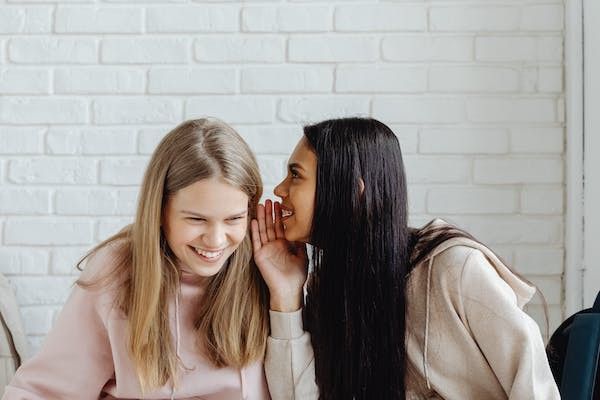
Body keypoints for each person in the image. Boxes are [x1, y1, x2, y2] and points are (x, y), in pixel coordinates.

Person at [252, 117, 560, 399]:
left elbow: (534, 386)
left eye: (296, 175)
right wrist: (285, 295)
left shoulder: (452, 269)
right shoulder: (329, 287)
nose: (280, 189)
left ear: (352, 191)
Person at [3, 118, 271, 400]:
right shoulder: (118, 269)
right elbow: (44, 390)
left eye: (234, 219)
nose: (216, 240)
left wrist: (286, 297)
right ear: (160, 210)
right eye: (196, 219)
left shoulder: (263, 265)